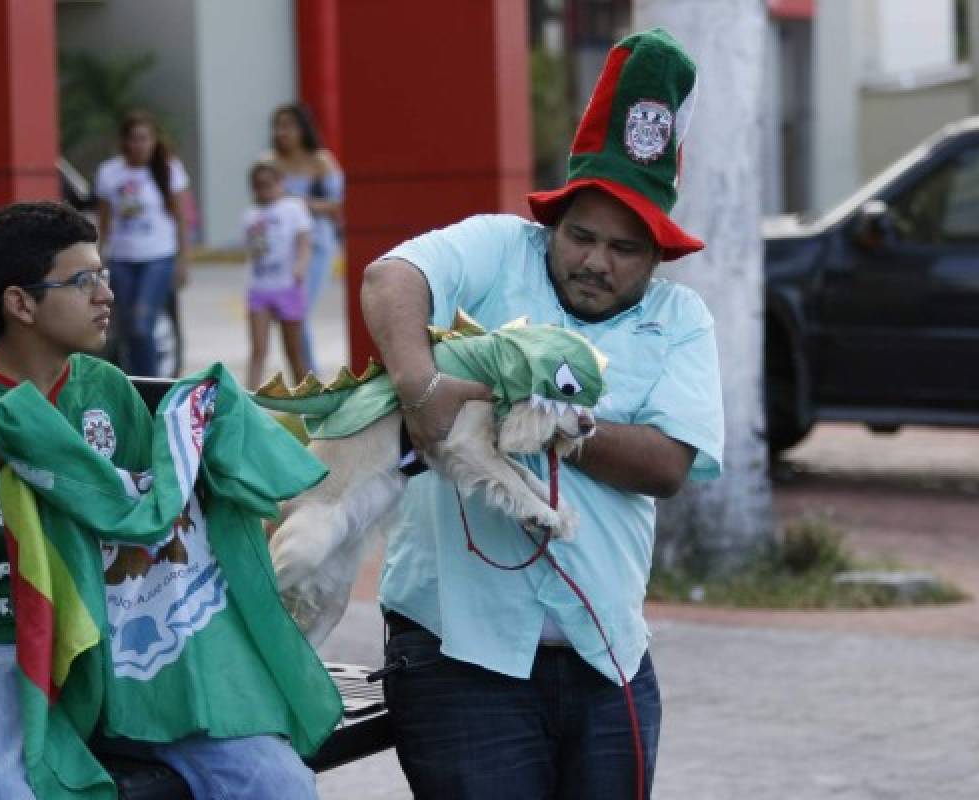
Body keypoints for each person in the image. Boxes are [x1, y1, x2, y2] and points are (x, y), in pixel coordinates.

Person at [360, 29, 723, 800]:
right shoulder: (498, 249)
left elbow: (667, 464)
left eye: (624, 248)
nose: (595, 261)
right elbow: (390, 278)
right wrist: (422, 390)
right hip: (458, 660)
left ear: (656, 255)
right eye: (581, 236)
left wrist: (541, 413)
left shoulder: (681, 318)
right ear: (553, 223)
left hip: (608, 660)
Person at [0, 201, 331, 799]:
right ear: (21, 304)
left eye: (103, 275)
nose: (107, 296)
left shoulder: (107, 390)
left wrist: (219, 459)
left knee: (275, 781)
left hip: (120, 643)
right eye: (82, 281)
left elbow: (156, 523)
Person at [95, 109, 191, 377]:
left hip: (158, 256)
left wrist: (183, 261)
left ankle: (152, 386)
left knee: (141, 323)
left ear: (154, 140)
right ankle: (134, 384)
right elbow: (105, 221)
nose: (139, 145)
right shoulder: (110, 172)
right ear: (125, 141)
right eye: (134, 139)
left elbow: (182, 218)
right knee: (125, 329)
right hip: (122, 258)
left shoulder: (169, 169)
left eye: (145, 138)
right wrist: (98, 258)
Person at [265, 102, 345, 375]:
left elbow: (336, 204)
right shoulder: (269, 162)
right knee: (288, 314)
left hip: (317, 244)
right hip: (280, 247)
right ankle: (303, 379)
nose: (282, 132)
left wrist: (298, 202)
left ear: (302, 129)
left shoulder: (321, 161)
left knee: (297, 310)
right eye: (278, 126)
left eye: (288, 125)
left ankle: (310, 378)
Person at [242, 160, 313, 389]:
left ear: (280, 183)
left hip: (287, 285)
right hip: (260, 286)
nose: (265, 190)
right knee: (258, 349)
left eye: (269, 184)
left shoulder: (293, 208)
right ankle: (249, 397)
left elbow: (303, 240)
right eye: (259, 185)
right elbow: (252, 250)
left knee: (293, 350)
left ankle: (305, 397)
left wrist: (301, 265)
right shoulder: (251, 214)